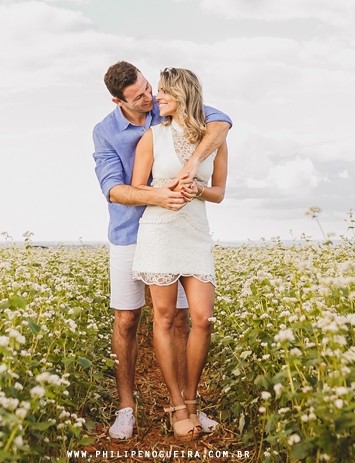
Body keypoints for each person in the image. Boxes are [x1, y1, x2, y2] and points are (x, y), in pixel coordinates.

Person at [92, 61, 231, 440]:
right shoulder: (106, 132)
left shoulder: (164, 106)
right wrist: (160, 194)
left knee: (187, 320)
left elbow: (220, 123)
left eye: (150, 88)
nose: (150, 97)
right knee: (127, 320)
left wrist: (192, 167)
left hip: (185, 231)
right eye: (140, 96)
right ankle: (126, 408)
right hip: (130, 231)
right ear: (118, 100)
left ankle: (188, 405)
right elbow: (113, 188)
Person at [130, 67, 227, 441]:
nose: (157, 99)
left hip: (195, 233)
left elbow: (218, 192)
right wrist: (168, 187)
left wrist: (196, 189)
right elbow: (139, 188)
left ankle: (193, 398)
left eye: (166, 92)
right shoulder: (152, 137)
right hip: (159, 230)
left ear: (184, 95)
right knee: (166, 317)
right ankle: (176, 404)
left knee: (201, 319)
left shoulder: (214, 138)